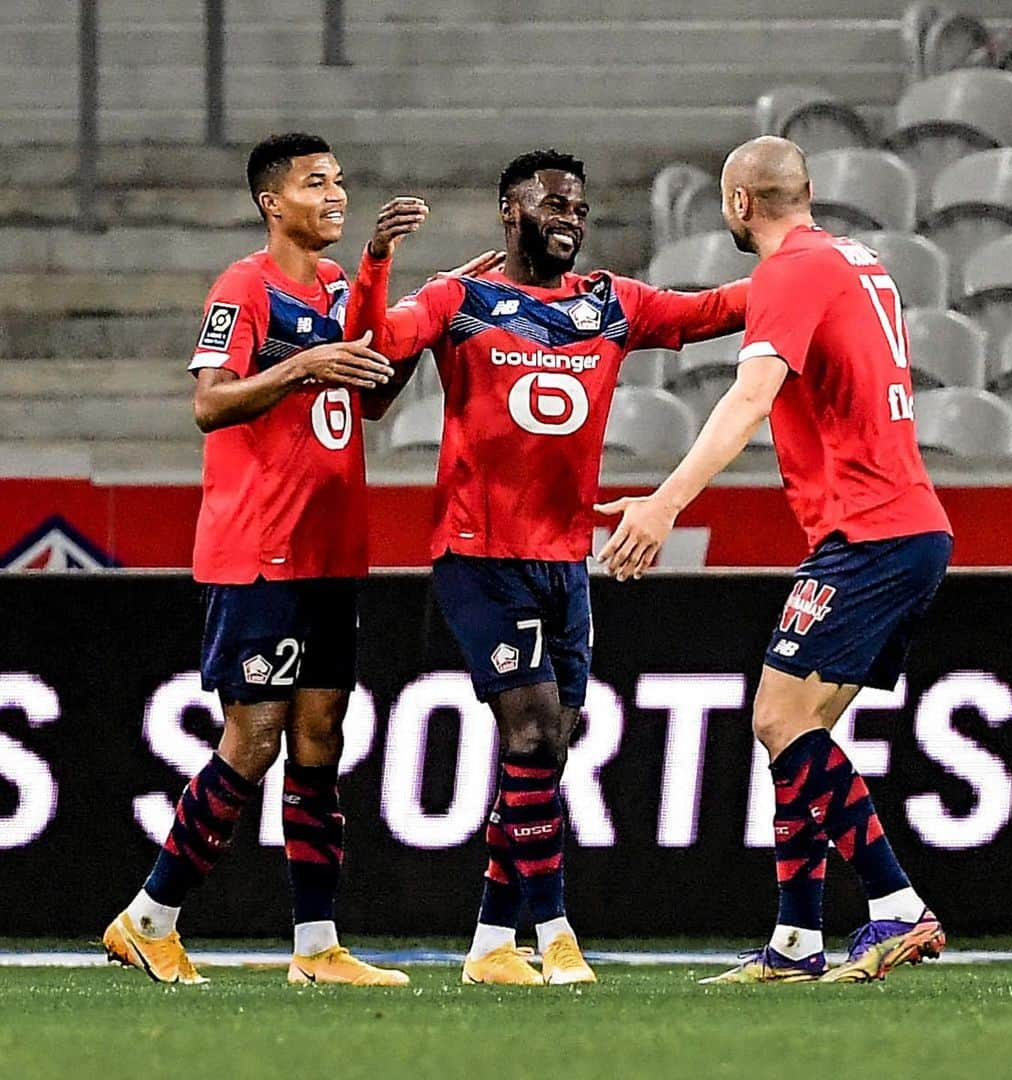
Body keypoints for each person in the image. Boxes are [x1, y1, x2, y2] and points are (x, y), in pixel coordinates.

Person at [349, 148, 749, 986]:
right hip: (480, 557)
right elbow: (381, 348)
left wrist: (805, 273)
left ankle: (493, 946)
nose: (569, 218)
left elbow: (710, 311)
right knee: (530, 733)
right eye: (552, 205)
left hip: (564, 564)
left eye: (578, 208)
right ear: (510, 213)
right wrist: (379, 263)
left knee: (551, 748)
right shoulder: (463, 301)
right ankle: (556, 933)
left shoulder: (607, 304)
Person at [596, 136, 953, 984]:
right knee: (801, 727)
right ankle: (796, 943)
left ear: (737, 205)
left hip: (868, 533)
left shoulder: (793, 274)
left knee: (776, 720)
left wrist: (664, 501)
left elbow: (750, 395)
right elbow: (718, 312)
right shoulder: (853, 261)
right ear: (809, 191)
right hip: (904, 527)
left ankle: (899, 907)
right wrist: (613, 307)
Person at [103, 132, 430, 987]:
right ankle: (149, 918)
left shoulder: (335, 285)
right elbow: (209, 405)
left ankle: (317, 946)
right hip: (258, 550)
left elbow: (375, 397)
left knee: (322, 737)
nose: (335, 192)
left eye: (341, 180)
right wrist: (304, 366)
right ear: (270, 202)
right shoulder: (243, 289)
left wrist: (391, 287)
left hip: (330, 549)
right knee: (253, 739)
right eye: (315, 182)